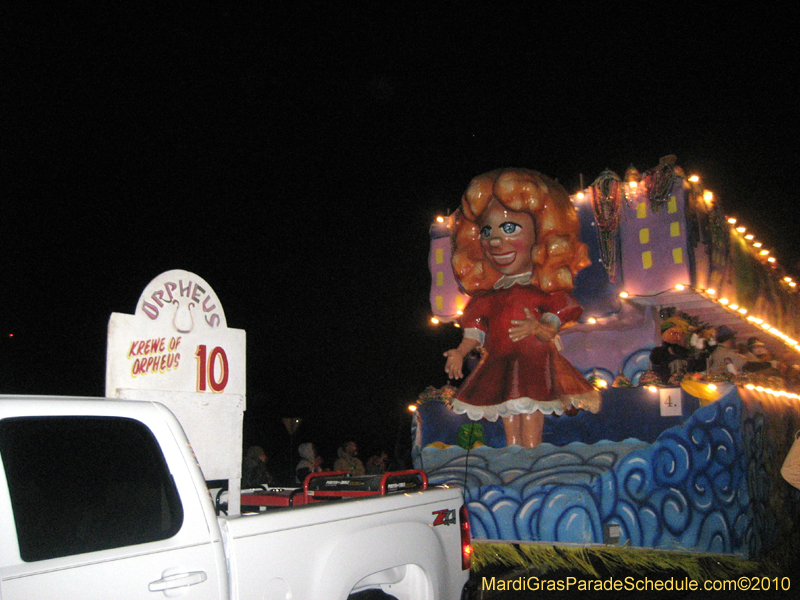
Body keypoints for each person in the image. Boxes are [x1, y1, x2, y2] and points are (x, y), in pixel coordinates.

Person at [443, 168, 600, 448]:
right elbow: (475, 332)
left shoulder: (540, 290)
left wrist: (541, 328)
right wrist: (459, 352)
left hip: (533, 362)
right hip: (499, 360)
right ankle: (513, 450)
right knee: (508, 406)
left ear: (542, 235)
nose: (494, 241)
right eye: (487, 231)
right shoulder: (488, 297)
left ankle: (531, 450)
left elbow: (556, 317)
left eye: (508, 228)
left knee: (530, 404)